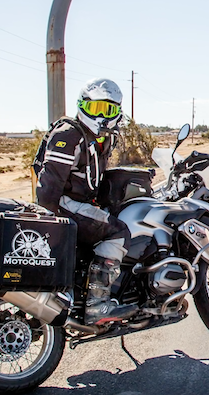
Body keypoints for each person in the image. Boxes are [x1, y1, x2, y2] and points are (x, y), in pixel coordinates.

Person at [35, 78, 137, 325]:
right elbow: (48, 189)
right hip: (61, 204)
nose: (101, 116)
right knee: (118, 232)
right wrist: (51, 225)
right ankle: (97, 303)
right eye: (95, 108)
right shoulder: (69, 134)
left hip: (75, 203)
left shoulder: (102, 139)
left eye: (108, 109)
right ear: (82, 106)